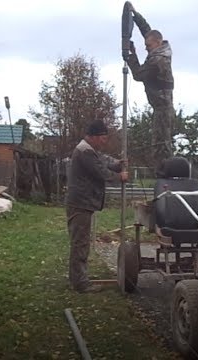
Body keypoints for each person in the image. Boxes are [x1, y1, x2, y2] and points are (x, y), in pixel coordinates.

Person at [65, 120, 129, 293]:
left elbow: (103, 161)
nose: (104, 141)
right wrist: (119, 176)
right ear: (93, 136)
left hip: (82, 203)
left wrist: (117, 163)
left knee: (81, 242)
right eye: (102, 137)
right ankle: (80, 283)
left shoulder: (88, 149)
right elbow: (100, 171)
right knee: (80, 243)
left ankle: (77, 278)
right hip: (80, 204)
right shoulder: (84, 151)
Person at [124, 2, 175, 177]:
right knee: (161, 142)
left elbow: (138, 75)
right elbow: (147, 30)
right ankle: (165, 172)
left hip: (162, 106)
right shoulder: (160, 49)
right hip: (160, 104)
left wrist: (131, 56)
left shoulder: (158, 60)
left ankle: (165, 175)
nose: (146, 48)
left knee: (161, 144)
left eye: (148, 46)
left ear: (157, 43)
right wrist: (135, 15)